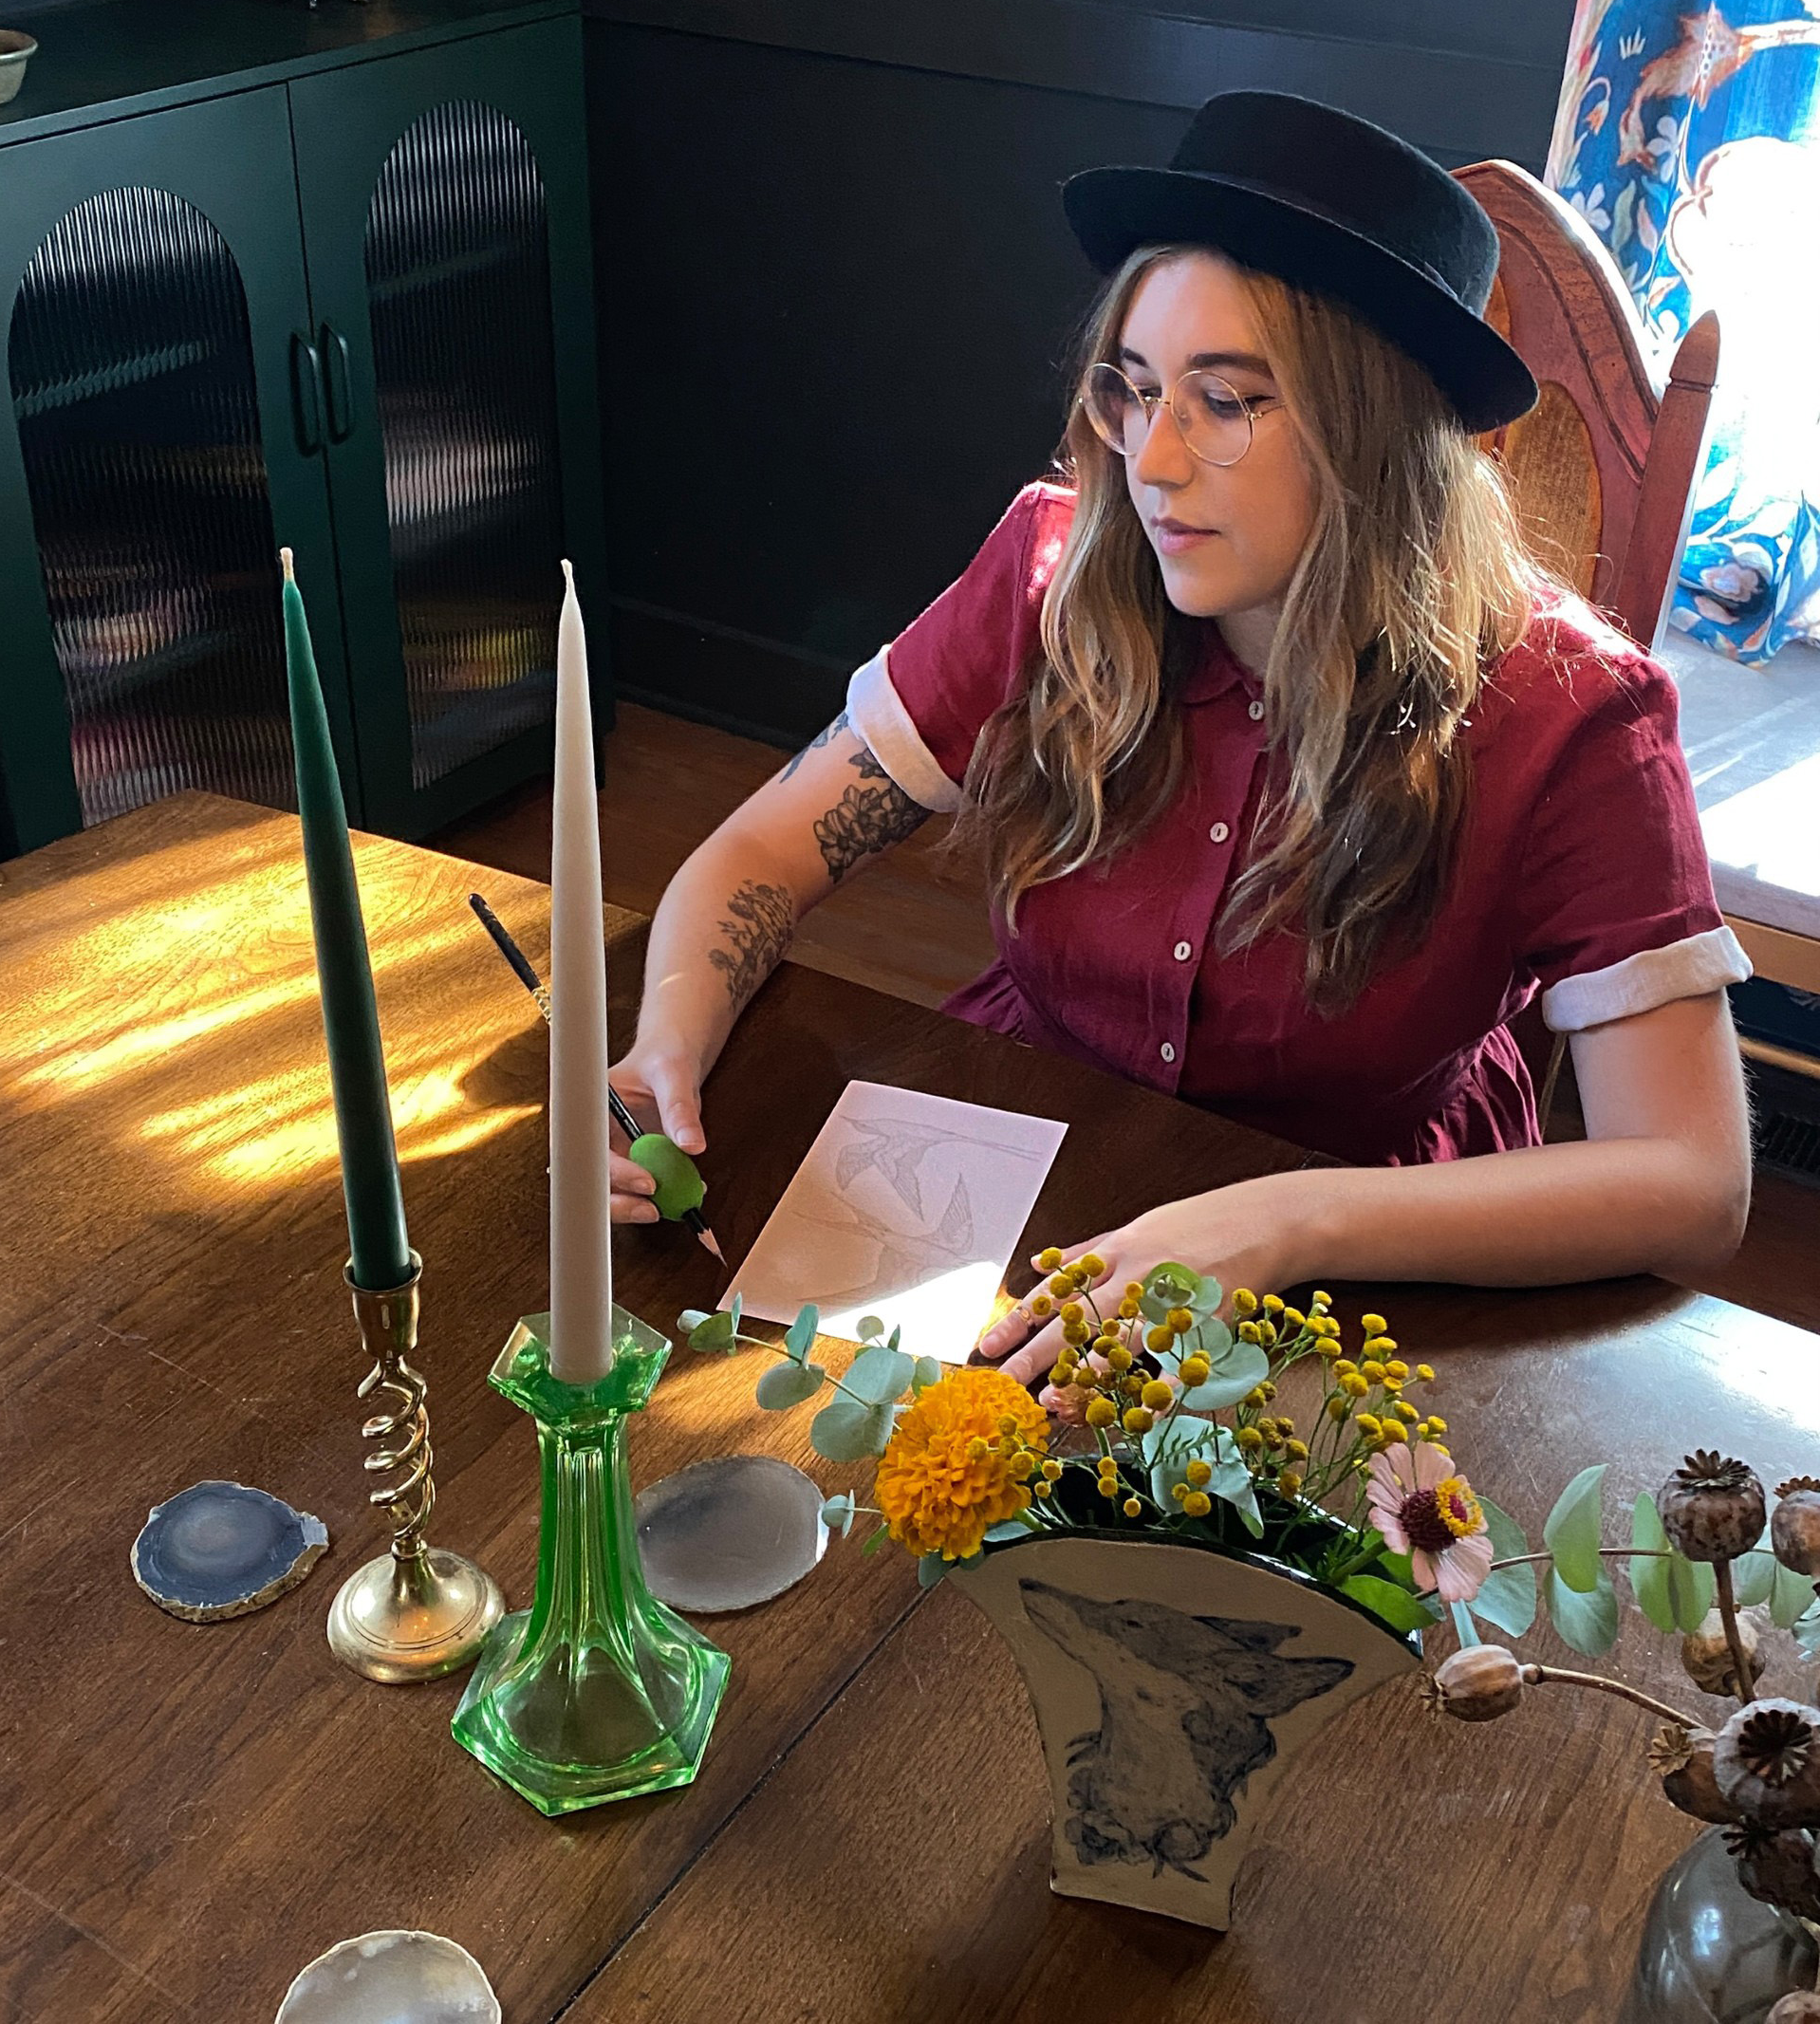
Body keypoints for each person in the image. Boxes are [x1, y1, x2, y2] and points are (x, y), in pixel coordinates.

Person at [607, 90, 1754, 1384]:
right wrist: (663, 1053)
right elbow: (765, 850)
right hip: (1017, 1162)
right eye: (1137, 390)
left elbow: (1694, 1183)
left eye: (1225, 400)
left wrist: (1285, 1222)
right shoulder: (1051, 576)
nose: (1150, 461)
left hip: (1361, 1251)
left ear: (1378, 433)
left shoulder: (1569, 712)